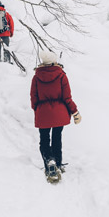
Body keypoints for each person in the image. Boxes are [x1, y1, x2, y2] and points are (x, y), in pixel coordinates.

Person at [30, 50, 81, 179]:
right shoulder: (61, 75)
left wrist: (37, 110)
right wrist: (75, 112)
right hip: (60, 113)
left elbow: (33, 97)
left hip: (43, 113)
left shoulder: (36, 77)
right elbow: (67, 98)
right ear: (54, 61)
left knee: (44, 140)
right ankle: (58, 164)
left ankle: (49, 162)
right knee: (57, 138)